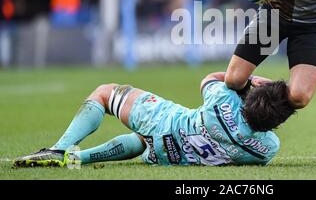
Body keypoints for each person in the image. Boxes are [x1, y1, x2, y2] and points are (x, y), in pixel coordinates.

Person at [13, 72, 295, 168]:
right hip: (171, 155)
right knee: (142, 142)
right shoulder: (268, 148)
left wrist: (247, 83)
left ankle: (59, 149)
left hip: (165, 123)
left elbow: (211, 79)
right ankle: (76, 161)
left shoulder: (224, 101)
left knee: (103, 94)